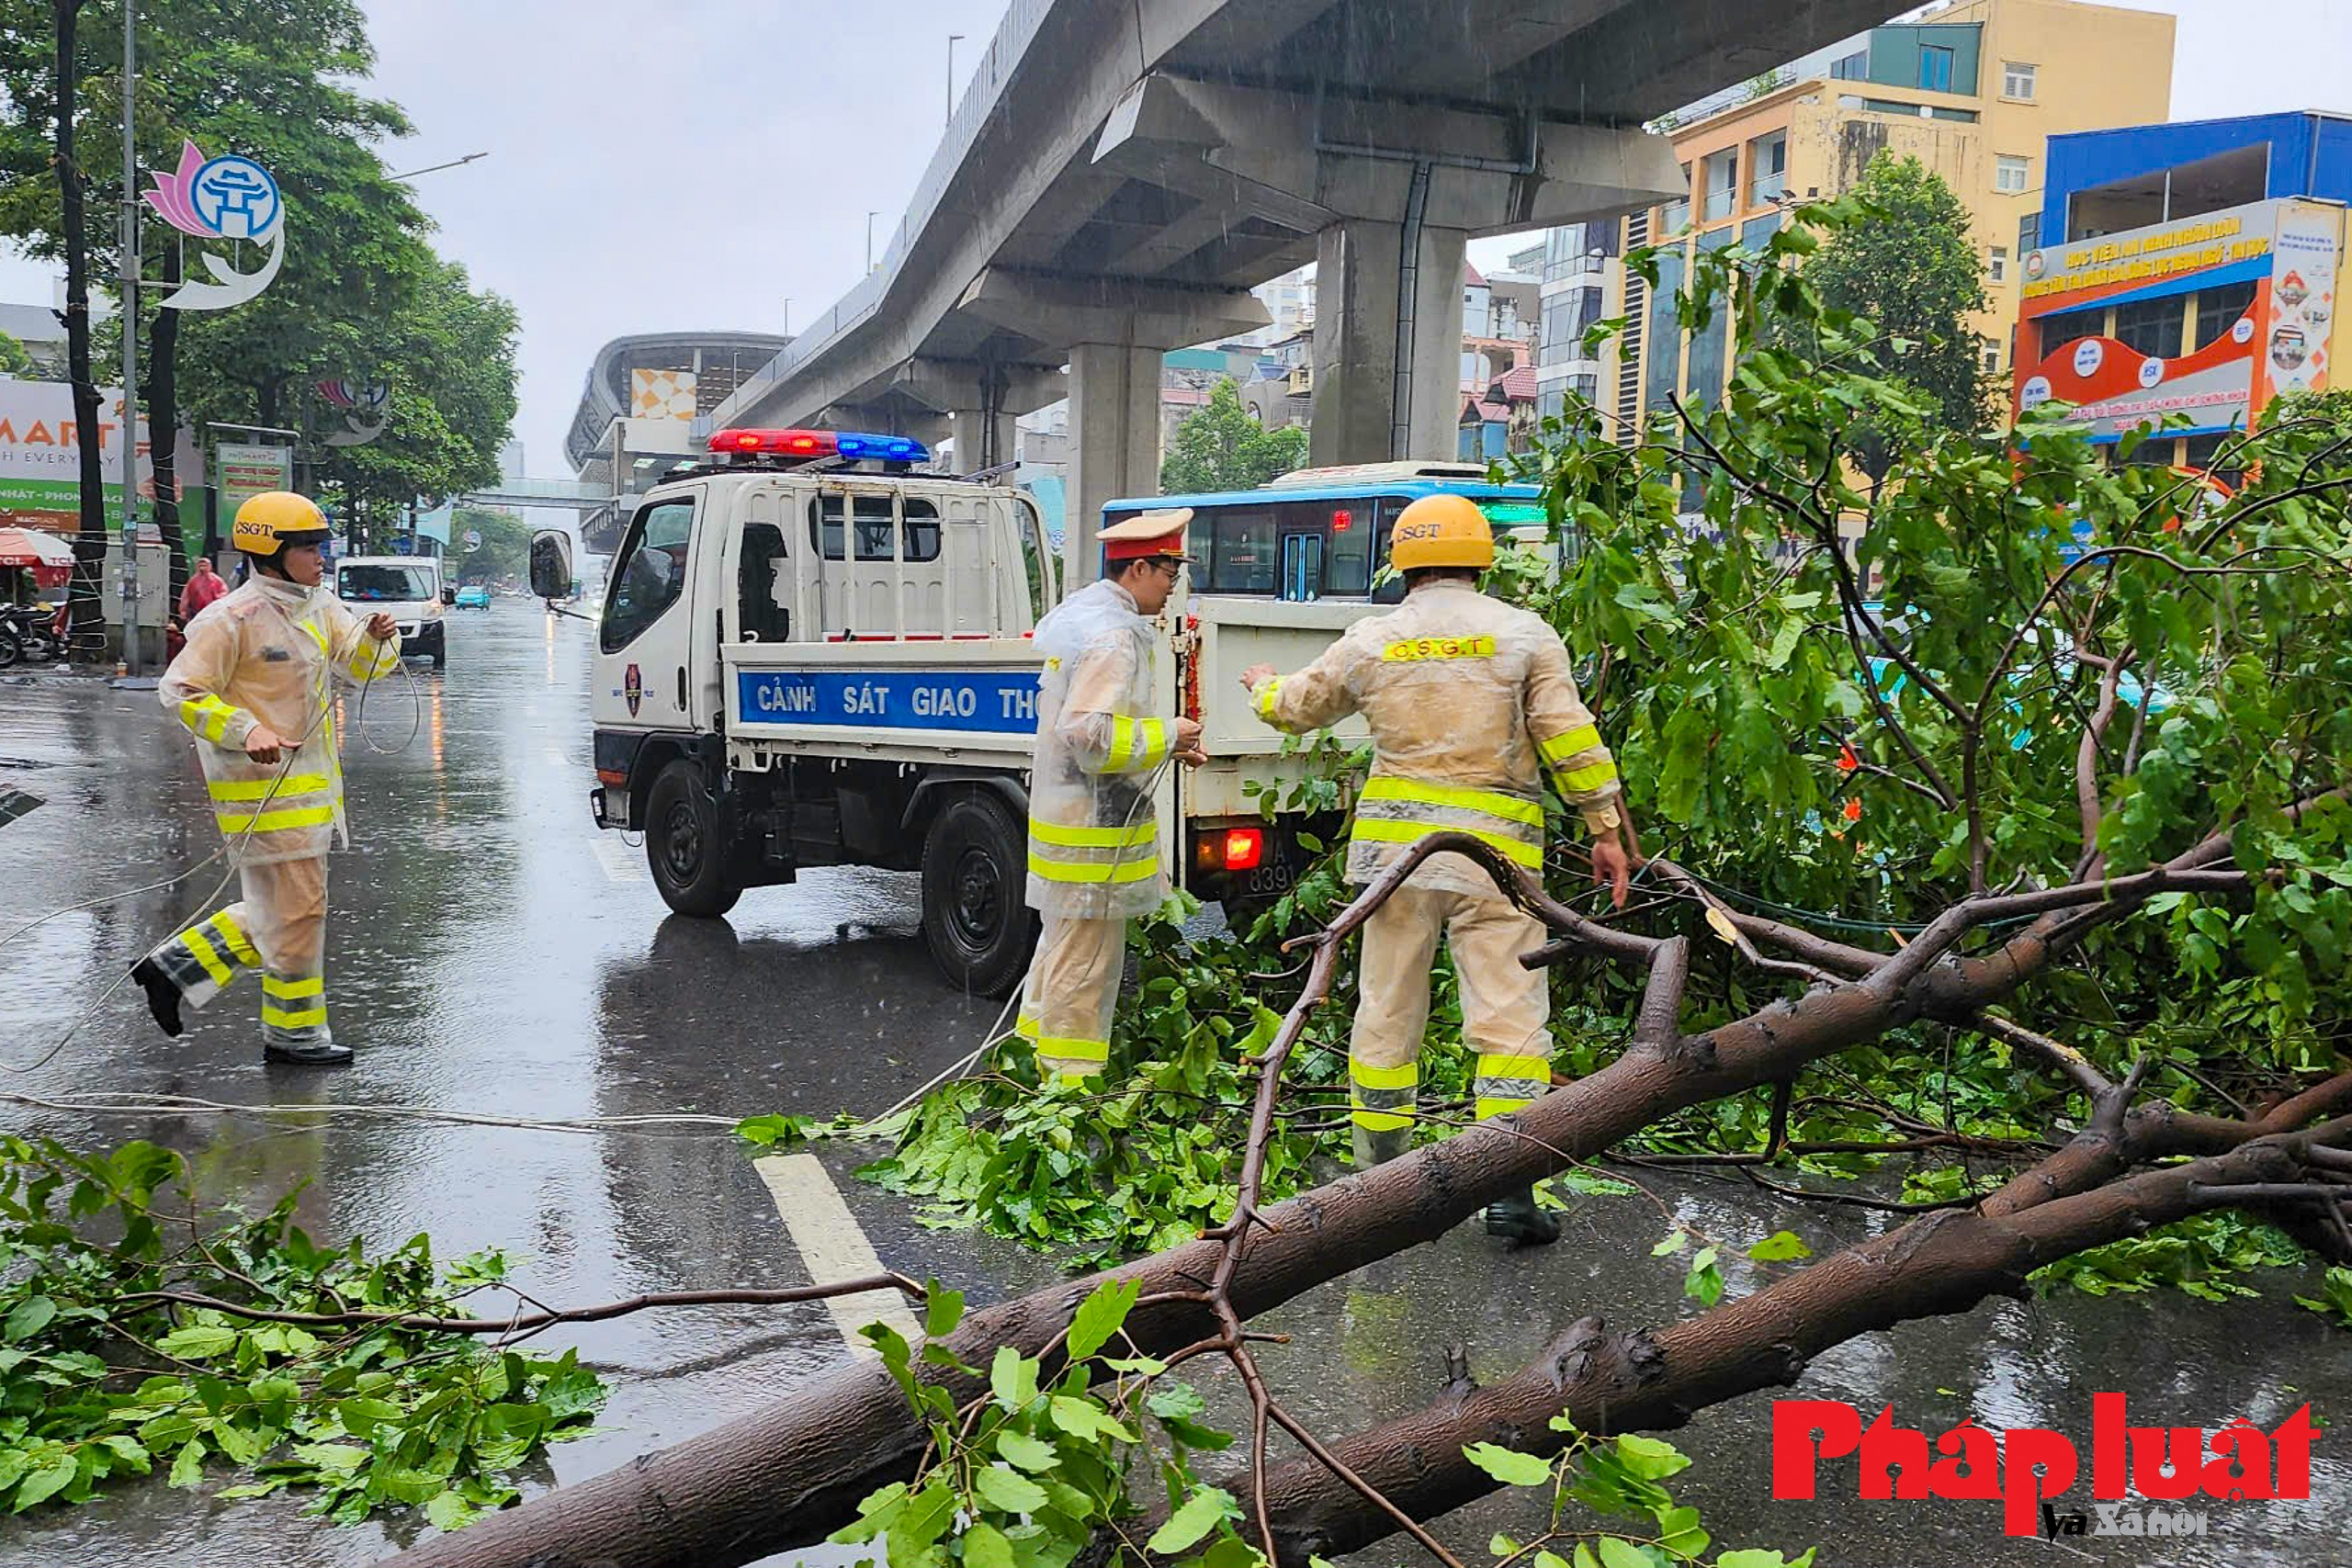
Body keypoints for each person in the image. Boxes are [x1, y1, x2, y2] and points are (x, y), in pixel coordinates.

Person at [1239, 492, 1631, 1245]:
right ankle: (1510, 1193)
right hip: (1499, 864)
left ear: (1402, 562)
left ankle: (1374, 1193)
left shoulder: (1374, 638)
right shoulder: (1524, 635)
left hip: (1397, 866)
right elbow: (1569, 738)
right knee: (1511, 1022)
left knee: (1386, 1013)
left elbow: (1296, 706)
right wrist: (1605, 826)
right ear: (1481, 557)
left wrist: (1259, 685)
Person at [131, 491, 401, 1066]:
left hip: (311, 793)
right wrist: (244, 729)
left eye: (319, 545)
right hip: (260, 793)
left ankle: (179, 970)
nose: (319, 556)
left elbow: (361, 670)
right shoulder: (232, 619)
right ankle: (292, 1035)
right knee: (298, 914)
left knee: (291, 913)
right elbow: (179, 691)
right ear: (270, 552)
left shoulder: (320, 606)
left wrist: (378, 638)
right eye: (307, 547)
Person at [1017, 510, 1206, 1083]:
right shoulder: (1116, 636)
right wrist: (1169, 733)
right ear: (1139, 568)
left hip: (1065, 826)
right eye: (1168, 569)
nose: (1174, 581)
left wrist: (1163, 746)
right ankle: (1067, 1097)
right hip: (1091, 840)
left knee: (1059, 951)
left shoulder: (1082, 616)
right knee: (1085, 966)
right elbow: (1089, 734)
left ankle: (1027, 1070)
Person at [166, 554, 227, 662]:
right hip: (196, 613)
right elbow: (186, 596)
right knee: (195, 636)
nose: (202, 567)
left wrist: (218, 601)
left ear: (210, 566)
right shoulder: (193, 581)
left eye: (205, 565)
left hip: (212, 614)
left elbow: (224, 593)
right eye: (200, 565)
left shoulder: (217, 580)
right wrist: (183, 610)